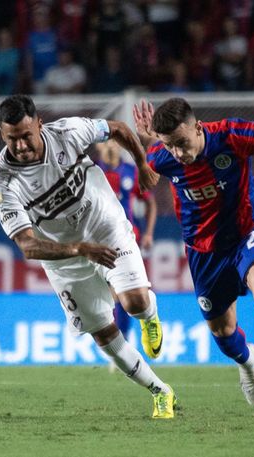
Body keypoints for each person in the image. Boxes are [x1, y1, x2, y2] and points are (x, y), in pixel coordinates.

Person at [133, 97, 254, 411]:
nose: (179, 154)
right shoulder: (161, 156)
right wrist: (151, 139)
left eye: (183, 143)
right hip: (203, 250)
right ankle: (248, 360)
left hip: (247, 232)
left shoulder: (233, 134)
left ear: (199, 128)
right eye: (171, 146)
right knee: (224, 334)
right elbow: (158, 147)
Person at [0, 94, 175, 419]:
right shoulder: (2, 180)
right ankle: (160, 391)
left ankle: (150, 318)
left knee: (134, 303)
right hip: (63, 257)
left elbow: (116, 128)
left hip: (104, 226)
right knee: (103, 332)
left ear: (39, 125)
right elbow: (27, 245)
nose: (20, 145)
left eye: (25, 135)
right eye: (11, 139)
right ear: (3, 135)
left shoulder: (67, 132)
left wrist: (143, 162)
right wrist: (78, 249)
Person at [95, 139, 157, 352]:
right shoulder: (92, 172)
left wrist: (148, 233)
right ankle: (121, 343)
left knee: (120, 291)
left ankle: (122, 345)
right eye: (105, 142)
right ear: (98, 147)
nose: (111, 145)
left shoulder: (131, 171)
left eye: (114, 141)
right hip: (98, 239)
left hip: (127, 238)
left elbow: (150, 202)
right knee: (114, 295)